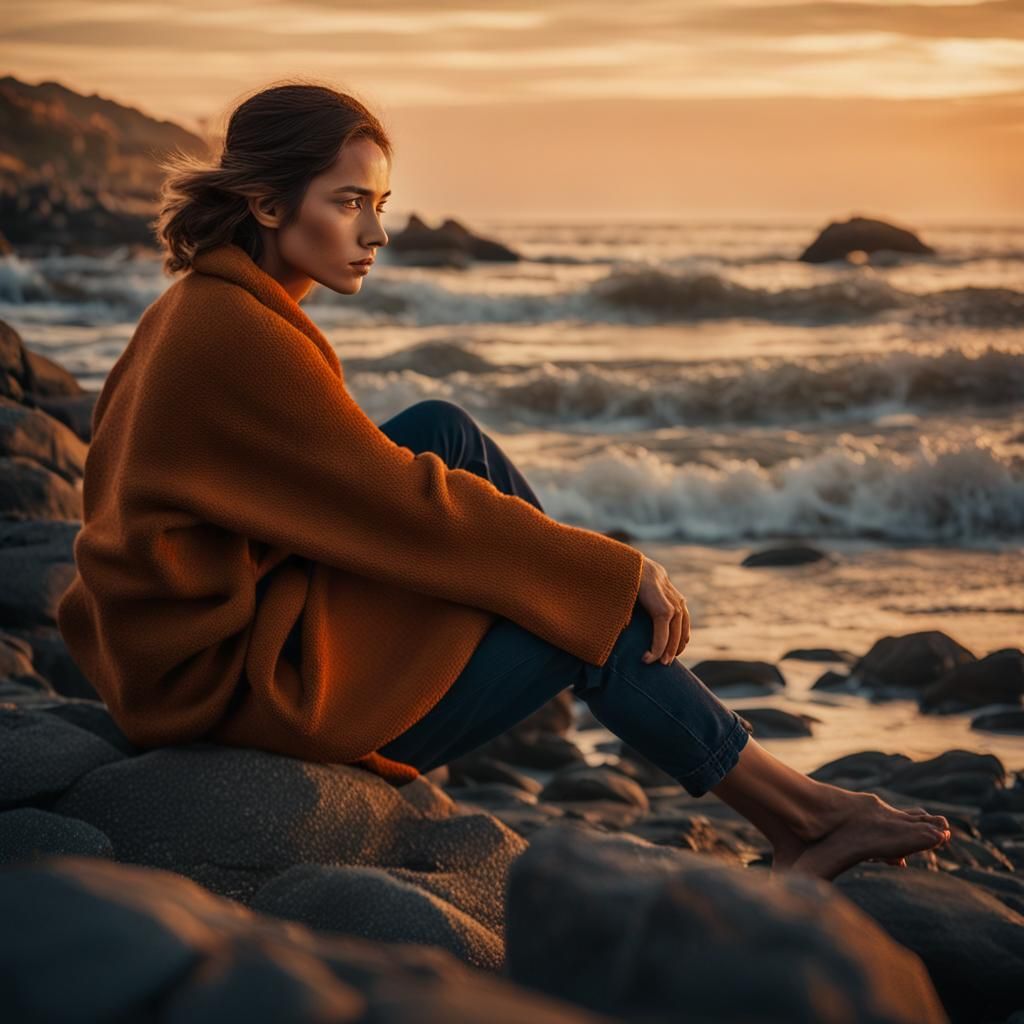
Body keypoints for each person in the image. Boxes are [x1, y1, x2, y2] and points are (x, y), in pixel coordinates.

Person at [70, 79, 951, 883]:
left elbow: (362, 493)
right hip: (226, 692)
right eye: (348, 203)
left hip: (194, 648)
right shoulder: (239, 336)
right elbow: (404, 506)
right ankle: (803, 815)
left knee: (447, 436)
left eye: (379, 204)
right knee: (578, 608)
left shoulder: (205, 306)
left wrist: (566, 568)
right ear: (267, 202)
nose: (376, 234)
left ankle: (722, 750)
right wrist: (607, 567)